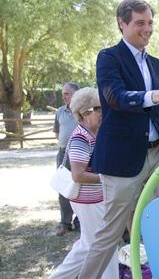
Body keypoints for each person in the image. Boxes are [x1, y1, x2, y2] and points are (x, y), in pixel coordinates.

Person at [78, 0, 159, 278]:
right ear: (121, 24)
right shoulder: (109, 57)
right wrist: (154, 95)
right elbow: (115, 98)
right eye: (140, 23)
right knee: (110, 233)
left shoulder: (156, 64)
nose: (147, 29)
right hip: (123, 157)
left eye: (150, 22)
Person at [49, 87, 119, 279]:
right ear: (85, 113)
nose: (103, 112)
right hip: (88, 201)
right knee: (102, 244)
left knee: (90, 245)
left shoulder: (93, 133)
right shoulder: (81, 137)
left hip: (95, 199)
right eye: (99, 108)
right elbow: (78, 175)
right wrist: (106, 178)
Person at [52, 82, 80, 236]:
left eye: (67, 93)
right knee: (62, 187)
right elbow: (57, 133)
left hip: (80, 154)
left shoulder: (83, 111)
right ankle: (65, 223)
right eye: (63, 93)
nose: (64, 96)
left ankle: (80, 220)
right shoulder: (59, 112)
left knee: (80, 187)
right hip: (63, 154)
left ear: (76, 94)